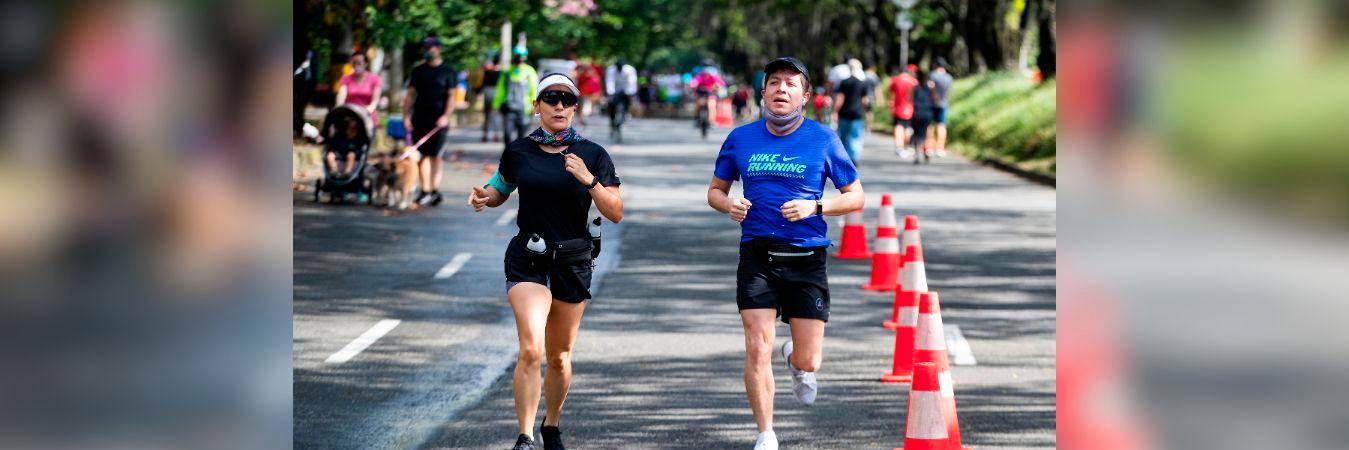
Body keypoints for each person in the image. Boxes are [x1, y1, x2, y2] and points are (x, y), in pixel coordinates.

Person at [707, 57, 864, 450]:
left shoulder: (823, 139)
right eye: (773, 82)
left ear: (805, 96)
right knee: (757, 345)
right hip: (757, 254)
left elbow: (857, 196)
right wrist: (728, 205)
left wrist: (817, 207)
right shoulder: (741, 138)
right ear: (763, 92)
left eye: (791, 84)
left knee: (811, 361)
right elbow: (714, 191)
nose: (781, 89)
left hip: (806, 255)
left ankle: (797, 359)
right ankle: (766, 433)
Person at [468, 73, 624, 450]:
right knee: (531, 349)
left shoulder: (593, 154)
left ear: (575, 108)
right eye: (551, 98)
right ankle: (524, 436)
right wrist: (484, 197)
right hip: (529, 259)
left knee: (559, 356)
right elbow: (500, 187)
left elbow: (615, 211)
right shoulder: (519, 150)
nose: (559, 106)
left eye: (567, 100)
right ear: (536, 105)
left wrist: (590, 181)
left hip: (572, 259)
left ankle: (550, 425)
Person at [403, 37, 459, 207]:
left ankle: (434, 189)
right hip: (419, 118)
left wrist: (446, 116)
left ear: (438, 49)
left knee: (436, 156)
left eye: (430, 48)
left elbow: (451, 96)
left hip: (439, 121)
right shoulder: (418, 71)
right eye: (425, 48)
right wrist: (405, 116)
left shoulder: (448, 71)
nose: (427, 51)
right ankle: (425, 189)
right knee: (421, 156)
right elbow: (410, 95)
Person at [494, 47, 540, 150]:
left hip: (524, 109)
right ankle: (508, 154)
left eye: (522, 57)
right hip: (508, 108)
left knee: (521, 135)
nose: (519, 59)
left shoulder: (529, 71)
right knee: (507, 134)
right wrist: (496, 105)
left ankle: (519, 155)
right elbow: (500, 89)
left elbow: (534, 89)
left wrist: (535, 106)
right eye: (518, 57)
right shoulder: (507, 72)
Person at [831, 59, 870, 163]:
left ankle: (845, 158)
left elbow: (840, 98)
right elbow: (865, 101)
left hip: (844, 113)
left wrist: (835, 111)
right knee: (855, 137)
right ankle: (854, 158)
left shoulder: (844, 82)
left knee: (843, 136)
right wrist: (866, 112)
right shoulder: (862, 83)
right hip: (857, 114)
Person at [335, 53, 382, 131]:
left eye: (359, 62)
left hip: (367, 119)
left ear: (366, 64)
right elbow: (340, 100)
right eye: (354, 62)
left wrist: (366, 111)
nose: (356, 65)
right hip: (349, 117)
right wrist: (341, 111)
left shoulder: (374, 79)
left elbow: (375, 101)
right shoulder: (346, 78)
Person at [888, 64, 919, 158]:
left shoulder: (895, 79)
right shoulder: (914, 81)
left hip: (898, 108)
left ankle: (899, 147)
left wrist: (891, 105)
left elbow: (891, 94)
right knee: (908, 128)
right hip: (910, 109)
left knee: (898, 127)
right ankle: (906, 146)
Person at [909, 68, 937, 164]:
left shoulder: (914, 88)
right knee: (926, 133)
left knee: (917, 134)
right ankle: (927, 151)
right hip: (927, 113)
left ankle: (917, 154)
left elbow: (910, 99)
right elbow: (935, 99)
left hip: (917, 113)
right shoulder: (931, 88)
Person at [688, 60, 726, 128]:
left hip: (710, 94)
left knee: (711, 106)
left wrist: (716, 87)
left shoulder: (713, 76)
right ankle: (696, 119)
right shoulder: (699, 75)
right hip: (701, 93)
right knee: (698, 105)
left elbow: (721, 83)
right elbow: (694, 82)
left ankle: (711, 121)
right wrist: (692, 85)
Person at [929, 57, 955, 157]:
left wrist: (934, 96)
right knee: (941, 125)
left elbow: (931, 87)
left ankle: (930, 147)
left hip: (931, 104)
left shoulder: (932, 75)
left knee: (930, 126)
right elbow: (948, 91)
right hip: (943, 103)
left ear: (935, 65)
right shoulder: (949, 77)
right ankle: (940, 148)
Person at [604, 58, 637, 135]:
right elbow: (609, 81)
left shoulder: (630, 70)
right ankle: (612, 121)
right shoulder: (611, 70)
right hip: (615, 90)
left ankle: (625, 114)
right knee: (611, 104)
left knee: (627, 103)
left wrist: (630, 92)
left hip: (626, 90)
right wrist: (610, 92)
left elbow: (632, 81)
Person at [481, 58, 503, 142]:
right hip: (497, 93)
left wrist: (478, 93)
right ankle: (496, 136)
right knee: (496, 116)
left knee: (487, 115)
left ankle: (485, 135)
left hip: (488, 92)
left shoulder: (487, 72)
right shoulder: (502, 73)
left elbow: (483, 84)